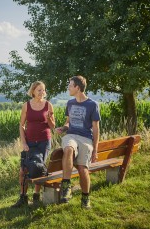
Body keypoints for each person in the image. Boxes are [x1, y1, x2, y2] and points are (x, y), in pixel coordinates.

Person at [55, 75, 100, 209]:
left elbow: (96, 129)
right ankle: (66, 185)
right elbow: (68, 123)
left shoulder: (92, 104)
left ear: (77, 88)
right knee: (68, 148)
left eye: (70, 85)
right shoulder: (70, 103)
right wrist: (63, 128)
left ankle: (85, 198)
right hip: (71, 136)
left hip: (86, 139)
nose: (68, 87)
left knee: (82, 168)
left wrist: (95, 150)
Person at [12, 81, 55, 207]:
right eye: (39, 90)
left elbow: (52, 126)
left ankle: (36, 195)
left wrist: (48, 119)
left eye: (43, 90)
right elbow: (21, 125)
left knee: (38, 168)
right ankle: (23, 197)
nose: (42, 92)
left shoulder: (48, 105)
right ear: (33, 91)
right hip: (29, 142)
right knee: (23, 170)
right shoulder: (26, 106)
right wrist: (24, 142)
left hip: (44, 142)